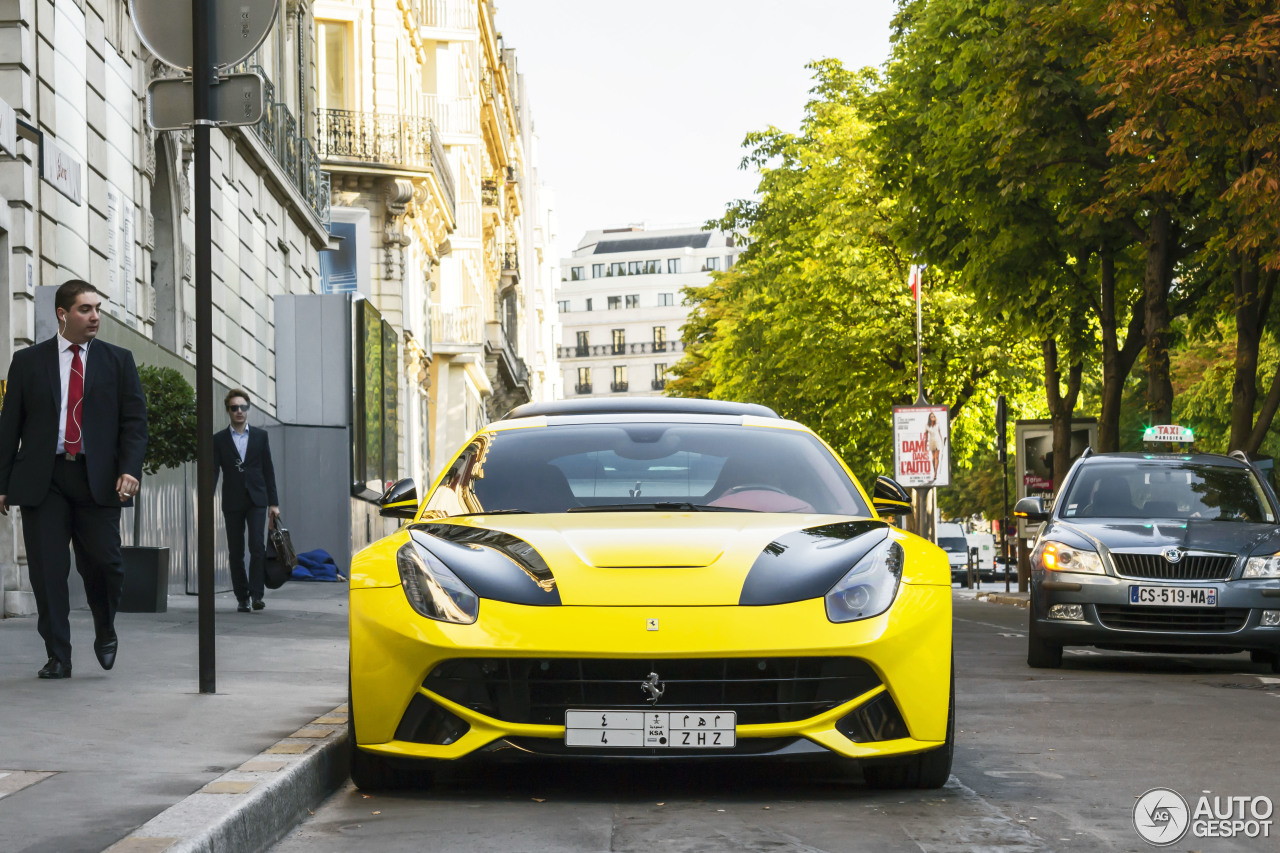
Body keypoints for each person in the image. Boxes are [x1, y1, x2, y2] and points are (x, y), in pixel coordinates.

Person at [0, 280, 148, 679]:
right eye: (86, 309)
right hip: (43, 480)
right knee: (48, 572)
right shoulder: (28, 362)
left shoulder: (119, 361)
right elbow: (9, 424)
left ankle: (105, 626)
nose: (95, 316)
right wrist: (2, 481)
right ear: (63, 315)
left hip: (96, 479)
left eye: (98, 308)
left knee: (106, 564)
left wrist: (130, 469)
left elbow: (135, 424)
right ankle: (58, 655)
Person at [212, 389, 279, 612]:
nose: (239, 411)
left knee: (257, 546)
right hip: (232, 500)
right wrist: (206, 500)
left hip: (257, 498)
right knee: (236, 550)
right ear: (228, 411)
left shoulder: (260, 436)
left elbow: (268, 470)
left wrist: (274, 503)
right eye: (234, 408)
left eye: (243, 407)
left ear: (248, 409)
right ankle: (242, 597)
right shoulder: (219, 440)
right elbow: (212, 472)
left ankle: (257, 594)